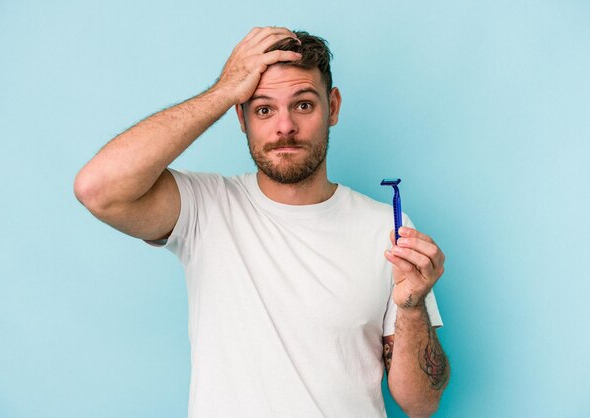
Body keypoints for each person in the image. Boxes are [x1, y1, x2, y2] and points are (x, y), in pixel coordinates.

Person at [74, 27, 450, 417]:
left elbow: (420, 404)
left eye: (303, 105)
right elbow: (97, 188)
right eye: (263, 109)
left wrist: (411, 307)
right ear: (241, 116)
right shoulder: (204, 208)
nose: (284, 126)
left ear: (332, 107)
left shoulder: (384, 227)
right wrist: (223, 91)